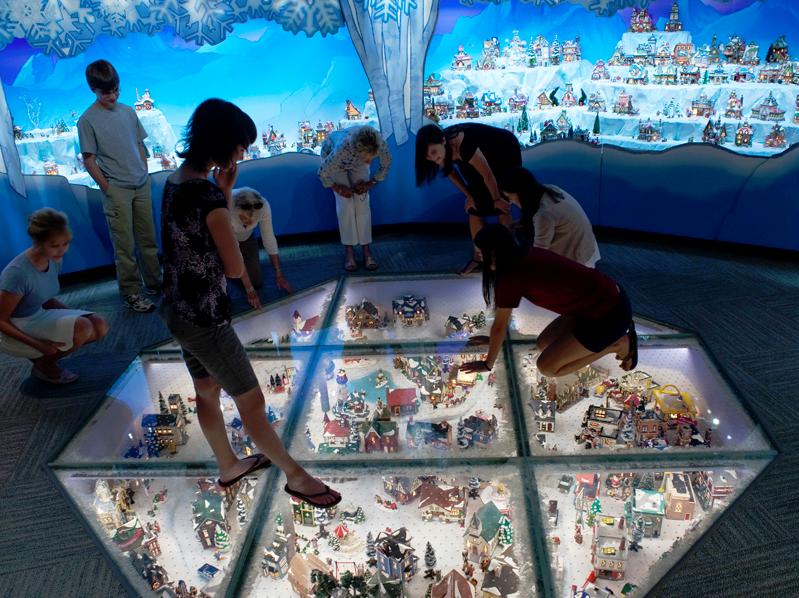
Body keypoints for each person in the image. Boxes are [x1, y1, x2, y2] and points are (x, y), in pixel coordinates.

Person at [159, 98, 340, 506]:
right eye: (241, 145)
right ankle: (296, 477)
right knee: (252, 401)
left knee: (205, 389)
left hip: (176, 309)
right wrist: (224, 206)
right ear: (224, 143)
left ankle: (228, 465)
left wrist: (222, 194)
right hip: (207, 319)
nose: (243, 153)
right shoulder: (208, 199)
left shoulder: (176, 180)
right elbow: (236, 268)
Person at [460, 224, 637, 379]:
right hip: (606, 298)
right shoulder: (526, 252)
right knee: (543, 344)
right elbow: (500, 325)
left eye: (480, 254)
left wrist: (487, 364)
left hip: (611, 316)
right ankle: (606, 339)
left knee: (547, 367)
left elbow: (499, 325)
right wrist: (493, 341)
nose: (480, 259)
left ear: (493, 254)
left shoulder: (511, 277)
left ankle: (616, 344)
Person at [78, 59, 163, 313]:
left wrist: (144, 172)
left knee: (148, 241)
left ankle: (156, 283)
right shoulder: (87, 120)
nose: (112, 95)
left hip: (140, 184)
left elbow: (139, 144)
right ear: (94, 89)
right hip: (117, 191)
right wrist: (107, 187)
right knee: (124, 247)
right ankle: (131, 292)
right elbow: (88, 160)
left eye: (116, 89)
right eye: (106, 92)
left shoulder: (128, 111)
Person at [0, 208, 109, 384]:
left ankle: (42, 359)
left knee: (99, 324)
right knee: (83, 327)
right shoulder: (17, 273)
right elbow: (1, 321)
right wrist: (39, 345)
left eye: (65, 243)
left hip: (38, 313)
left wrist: (73, 314)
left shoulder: (53, 258)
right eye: (54, 245)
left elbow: (41, 297)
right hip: (15, 326)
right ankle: (44, 365)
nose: (62, 250)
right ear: (36, 241)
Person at [415, 122, 521, 275]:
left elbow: (488, 175)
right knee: (474, 207)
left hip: (502, 148)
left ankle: (508, 255)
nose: (432, 157)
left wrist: (497, 199)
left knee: (502, 207)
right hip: (479, 152)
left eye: (433, 152)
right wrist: (470, 196)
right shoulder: (438, 148)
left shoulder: (463, 145)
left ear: (443, 142)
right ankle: (479, 258)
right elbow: (450, 172)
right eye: (427, 155)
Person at [317, 125, 392, 272]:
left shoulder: (379, 143)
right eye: (367, 159)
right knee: (345, 204)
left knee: (362, 199)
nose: (370, 162)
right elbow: (323, 173)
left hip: (357, 159)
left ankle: (366, 248)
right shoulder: (341, 150)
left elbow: (386, 164)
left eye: (373, 158)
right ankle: (349, 250)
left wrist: (370, 183)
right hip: (338, 162)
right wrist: (338, 189)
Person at [499, 166, 601, 268]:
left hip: (578, 261)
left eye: (510, 197)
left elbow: (540, 256)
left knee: (524, 239)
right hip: (587, 245)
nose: (510, 202)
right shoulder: (549, 189)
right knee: (522, 231)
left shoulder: (544, 215)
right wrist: (513, 225)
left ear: (522, 193)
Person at [229, 187, 294, 310]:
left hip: (246, 239)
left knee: (257, 282)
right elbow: (234, 251)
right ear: (238, 210)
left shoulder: (263, 206)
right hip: (223, 241)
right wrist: (249, 289)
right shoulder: (228, 208)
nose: (250, 222)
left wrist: (278, 271)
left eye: (254, 220)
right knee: (233, 273)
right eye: (246, 219)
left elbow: (269, 239)